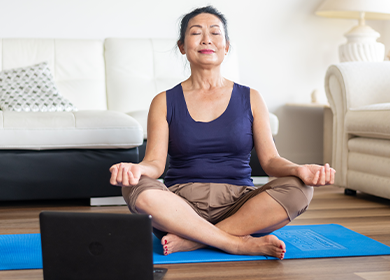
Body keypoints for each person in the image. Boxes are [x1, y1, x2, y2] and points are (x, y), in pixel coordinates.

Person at [110, 6, 335, 260]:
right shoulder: (163, 101)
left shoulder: (251, 97)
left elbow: (271, 162)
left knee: (301, 189)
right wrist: (136, 170)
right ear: (182, 46)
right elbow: (154, 164)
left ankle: (193, 240)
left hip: (240, 205)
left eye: (215, 33)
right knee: (133, 188)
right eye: (196, 33)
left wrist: (299, 170)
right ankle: (235, 243)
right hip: (180, 206)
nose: (206, 39)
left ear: (226, 46)